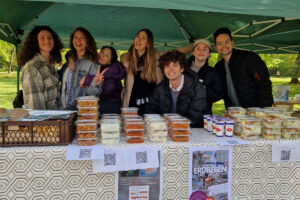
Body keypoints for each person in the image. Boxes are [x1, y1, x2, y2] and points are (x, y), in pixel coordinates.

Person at [121, 28, 192, 115]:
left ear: (148, 43)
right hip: (132, 104)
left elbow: (177, 51)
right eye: (137, 36)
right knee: (133, 127)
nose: (138, 39)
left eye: (143, 38)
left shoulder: (156, 57)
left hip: (151, 103)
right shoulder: (126, 59)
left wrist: (194, 46)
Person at [213, 27, 273, 108]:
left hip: (255, 112)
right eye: (219, 43)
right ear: (215, 47)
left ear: (232, 43)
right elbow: (218, 91)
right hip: (234, 113)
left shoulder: (249, 58)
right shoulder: (218, 67)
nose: (224, 46)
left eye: (227, 42)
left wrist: (262, 110)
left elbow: (264, 83)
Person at [146, 50, 208, 128]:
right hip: (165, 131)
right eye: (167, 65)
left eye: (175, 65)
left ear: (182, 68)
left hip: (191, 131)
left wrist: (174, 126)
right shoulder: (160, 88)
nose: (170, 69)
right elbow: (151, 110)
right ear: (163, 69)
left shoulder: (197, 88)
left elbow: (195, 117)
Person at [18, 26, 63, 110]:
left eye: (50, 38)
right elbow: (35, 107)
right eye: (42, 38)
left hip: (54, 119)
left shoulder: (50, 64)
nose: (47, 41)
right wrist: (45, 123)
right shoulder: (32, 67)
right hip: (43, 121)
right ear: (35, 42)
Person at [66, 27, 103, 109]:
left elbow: (93, 93)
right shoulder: (70, 61)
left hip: (81, 110)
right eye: (75, 37)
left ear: (88, 42)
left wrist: (93, 82)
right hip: (65, 108)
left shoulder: (92, 63)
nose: (78, 40)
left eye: (82, 38)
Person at [188, 39, 223, 114]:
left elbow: (219, 94)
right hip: (182, 114)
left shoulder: (213, 73)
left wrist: (205, 90)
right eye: (198, 49)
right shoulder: (182, 70)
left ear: (209, 54)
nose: (201, 51)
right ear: (193, 52)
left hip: (203, 114)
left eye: (205, 49)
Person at [97, 46, 125, 114]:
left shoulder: (112, 70)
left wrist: (87, 80)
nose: (102, 55)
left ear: (110, 61)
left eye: (107, 55)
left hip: (110, 107)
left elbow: (107, 90)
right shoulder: (99, 67)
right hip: (105, 105)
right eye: (102, 52)